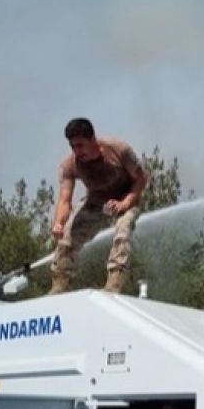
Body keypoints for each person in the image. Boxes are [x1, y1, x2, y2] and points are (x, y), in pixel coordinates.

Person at [49, 117, 149, 294]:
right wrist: (59, 223)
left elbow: (141, 179)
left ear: (93, 139)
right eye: (73, 146)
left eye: (80, 145)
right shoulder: (69, 166)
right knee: (67, 237)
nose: (77, 151)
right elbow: (65, 200)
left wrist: (125, 203)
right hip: (96, 201)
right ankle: (60, 283)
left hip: (125, 197)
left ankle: (114, 282)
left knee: (123, 230)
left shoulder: (119, 150)